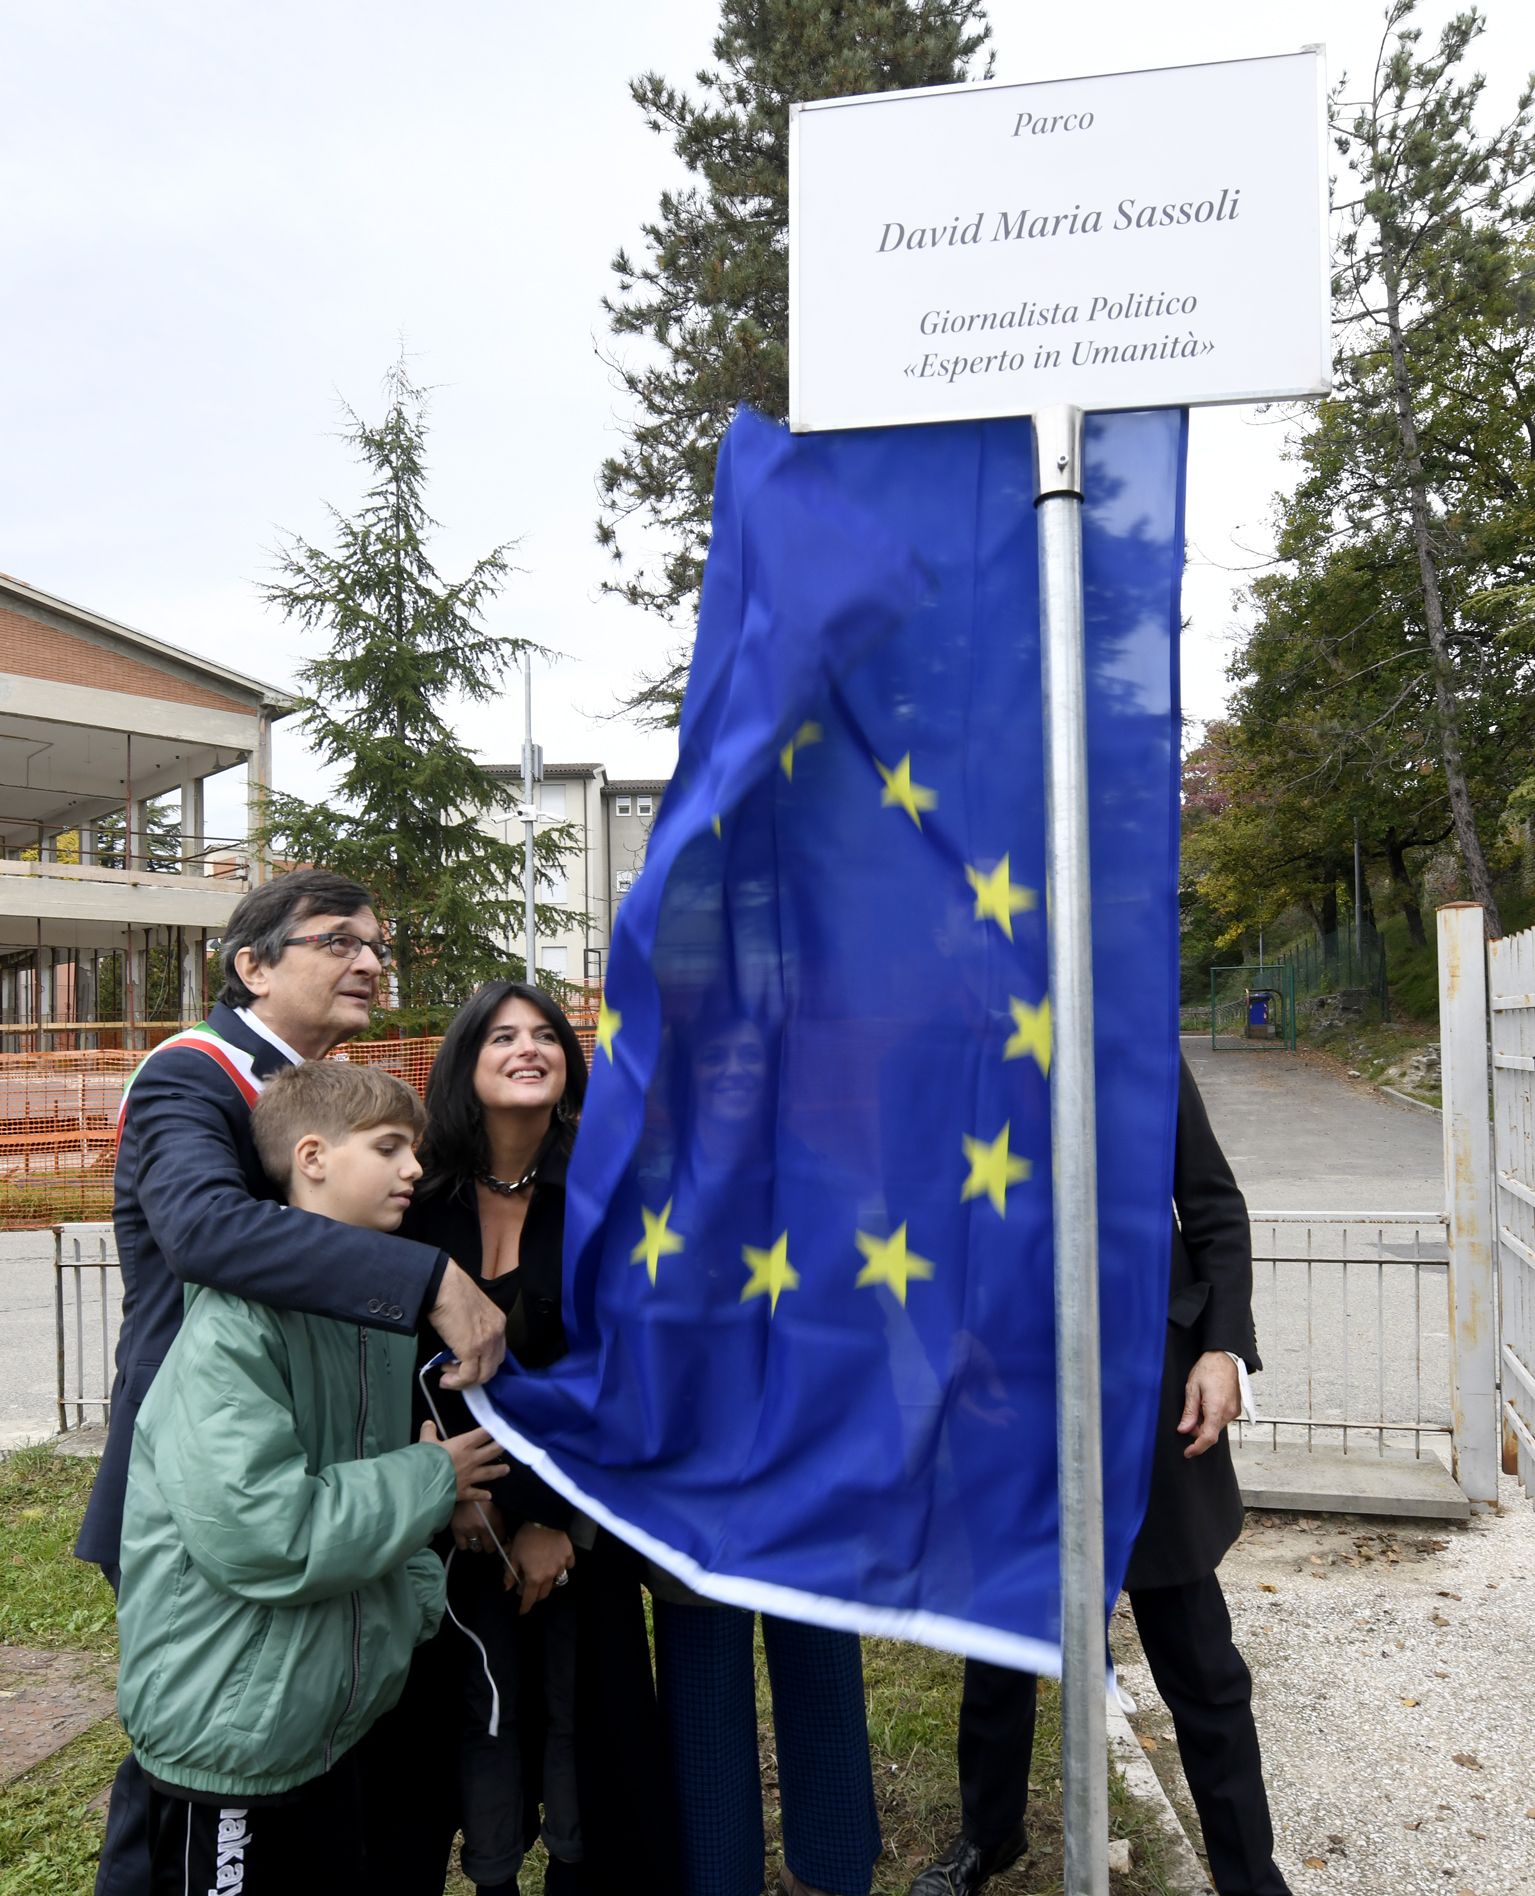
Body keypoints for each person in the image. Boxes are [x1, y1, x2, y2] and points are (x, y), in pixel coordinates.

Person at [80, 867, 508, 1896]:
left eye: (377, 945)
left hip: (344, 1484)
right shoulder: (193, 1074)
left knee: (324, 1788)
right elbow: (202, 1231)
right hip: (216, 1484)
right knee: (205, 1774)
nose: (369, 961)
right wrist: (425, 1277)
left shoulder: (331, 1093)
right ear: (252, 967)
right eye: (337, 941)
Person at [910, 1057, 1292, 1896]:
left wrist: (1222, 1349)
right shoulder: (965, 1047)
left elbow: (1214, 1207)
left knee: (1197, 1658)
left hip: (1148, 1399)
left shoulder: (1138, 1035)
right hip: (1008, 1397)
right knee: (1002, 1641)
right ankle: (989, 1835)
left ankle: (1248, 1877)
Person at [360, 980, 676, 1895]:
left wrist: (548, 1526)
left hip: (578, 1525)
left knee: (584, 1722)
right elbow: (388, 1353)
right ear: (467, 1060)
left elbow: (625, 1373)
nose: (527, 1047)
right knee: (461, 1724)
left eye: (544, 1035)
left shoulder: (608, 1194)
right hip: (439, 1518)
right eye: (502, 1036)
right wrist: (447, 1492)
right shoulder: (421, 1198)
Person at [643, 1013, 882, 1896]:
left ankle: (832, 1866)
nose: (739, 1069)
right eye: (720, 1054)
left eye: (757, 1055)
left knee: (822, 1676)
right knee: (702, 1700)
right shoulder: (647, 1183)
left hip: (810, 1476)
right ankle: (719, 1875)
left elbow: (873, 1325)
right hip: (693, 1486)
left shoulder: (832, 1172)